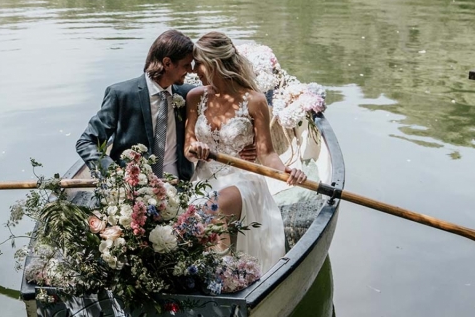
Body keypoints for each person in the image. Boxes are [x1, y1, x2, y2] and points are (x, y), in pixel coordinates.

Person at [185, 31, 306, 272]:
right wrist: (195, 148)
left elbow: (267, 154)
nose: (193, 70)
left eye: (198, 63)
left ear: (214, 63)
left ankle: (223, 274)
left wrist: (287, 170)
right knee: (196, 212)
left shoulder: (255, 100)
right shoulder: (194, 97)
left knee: (214, 206)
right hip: (203, 180)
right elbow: (188, 147)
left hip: (243, 178)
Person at [76, 30, 256, 180]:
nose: (191, 70)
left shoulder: (190, 95)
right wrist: (113, 173)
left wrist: (247, 144)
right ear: (167, 63)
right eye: (186, 65)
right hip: (132, 191)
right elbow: (86, 142)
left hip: (180, 190)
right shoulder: (121, 95)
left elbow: (227, 108)